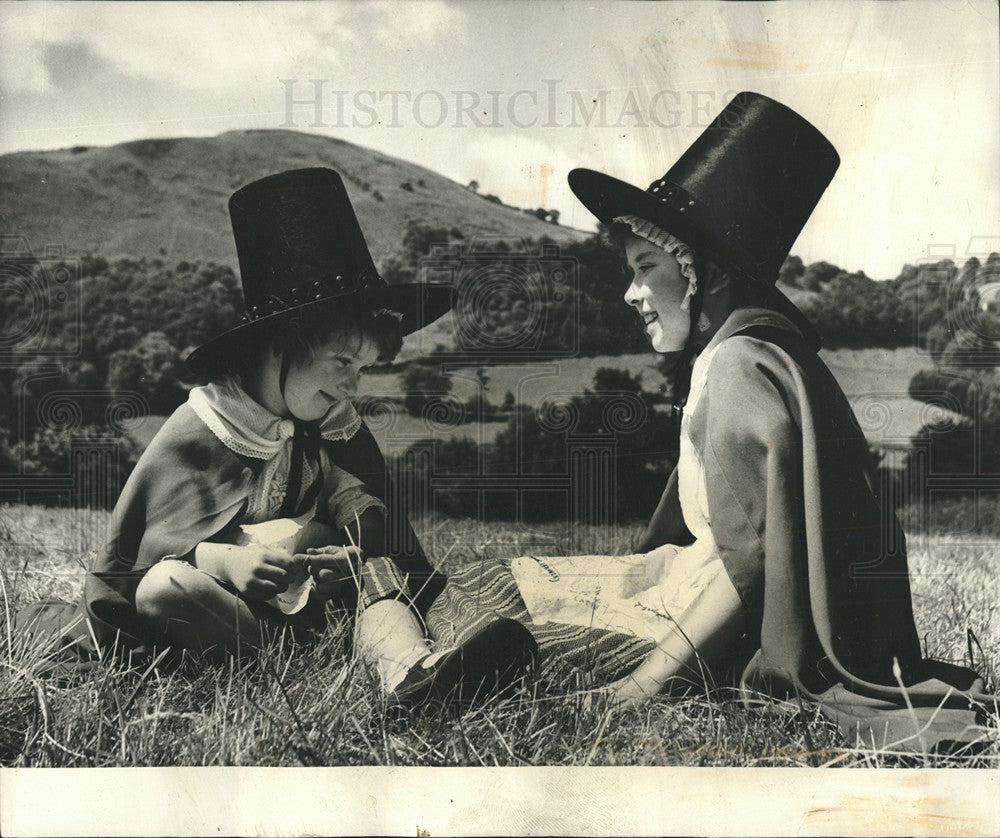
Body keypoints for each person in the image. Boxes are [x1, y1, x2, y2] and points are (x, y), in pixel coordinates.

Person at [425, 92, 995, 749]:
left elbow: (747, 559)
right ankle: (432, 666)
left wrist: (645, 684)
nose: (631, 293)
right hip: (684, 586)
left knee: (486, 614)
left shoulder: (740, 367)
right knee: (487, 584)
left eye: (645, 268)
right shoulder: (750, 352)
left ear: (703, 272)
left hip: (720, 633)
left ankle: (433, 678)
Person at [16, 168, 536, 711]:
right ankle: (285, 659)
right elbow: (140, 563)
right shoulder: (201, 429)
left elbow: (367, 515)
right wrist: (223, 563)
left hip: (319, 609)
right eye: (341, 361)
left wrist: (351, 556)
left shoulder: (331, 427)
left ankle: (410, 673)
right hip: (226, 615)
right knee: (164, 587)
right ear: (275, 347)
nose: (352, 384)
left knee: (381, 582)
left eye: (364, 367)